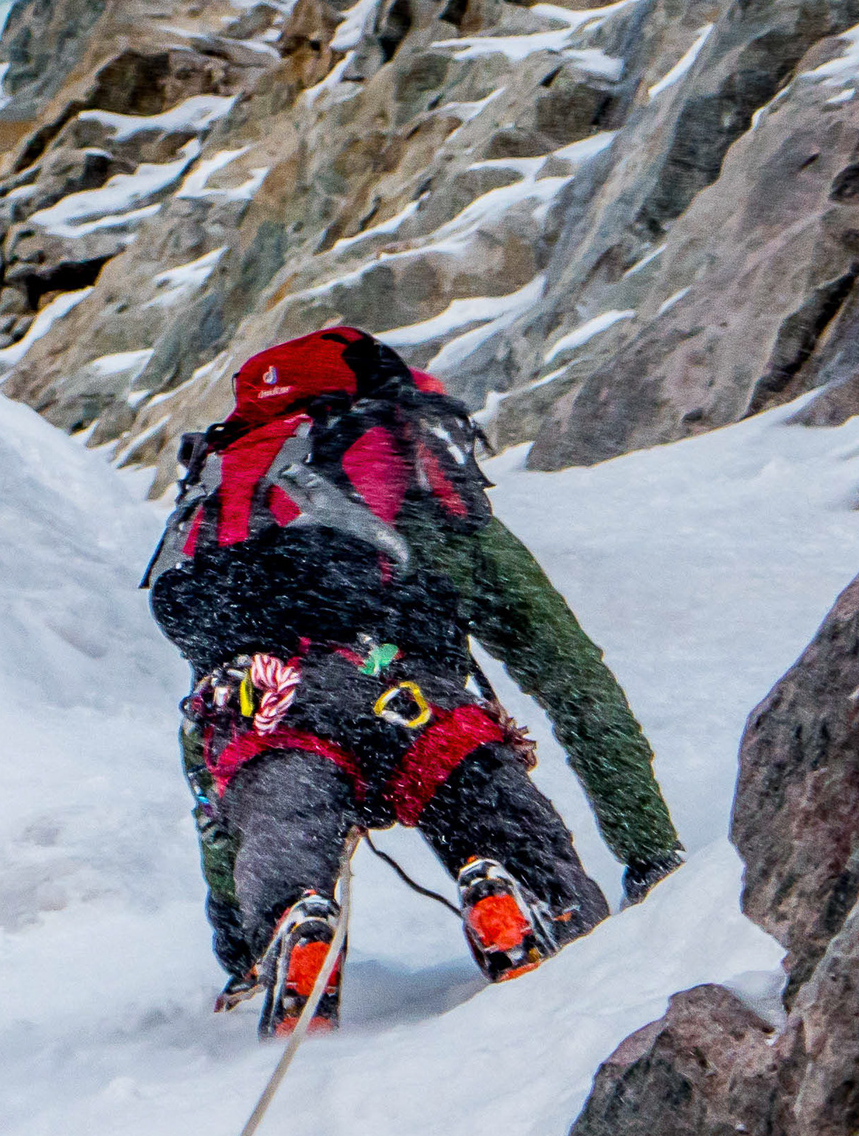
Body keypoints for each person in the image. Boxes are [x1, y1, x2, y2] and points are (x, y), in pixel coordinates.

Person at [145, 325, 680, 1030]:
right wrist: (649, 852)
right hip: (411, 698)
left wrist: (235, 947)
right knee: (474, 788)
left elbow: (212, 785)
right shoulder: (419, 486)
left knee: (279, 805)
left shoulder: (233, 507)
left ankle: (288, 928)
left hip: (268, 705)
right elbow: (570, 677)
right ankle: (524, 893)